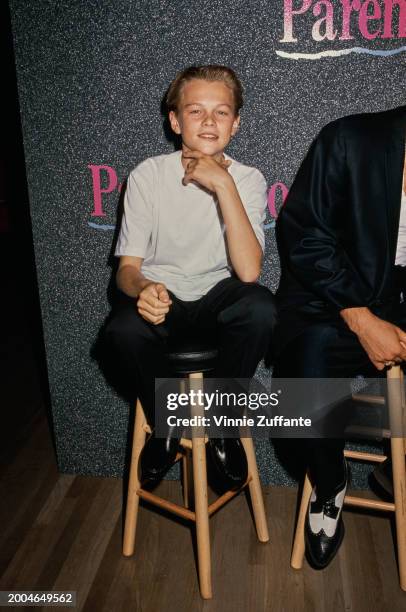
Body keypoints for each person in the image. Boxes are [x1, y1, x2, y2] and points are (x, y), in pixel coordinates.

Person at [105, 65, 276, 488]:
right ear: (175, 120)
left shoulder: (249, 179)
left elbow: (249, 271)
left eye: (221, 112)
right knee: (122, 329)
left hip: (218, 297)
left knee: (261, 308)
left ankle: (222, 422)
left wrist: (223, 184)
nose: (209, 122)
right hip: (163, 296)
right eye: (195, 111)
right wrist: (144, 289)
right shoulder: (148, 175)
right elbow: (126, 270)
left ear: (236, 123)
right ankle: (166, 426)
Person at [274, 105, 406, 568]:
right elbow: (305, 234)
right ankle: (329, 482)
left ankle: (399, 470)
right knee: (304, 385)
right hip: (331, 299)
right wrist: (362, 318)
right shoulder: (351, 139)